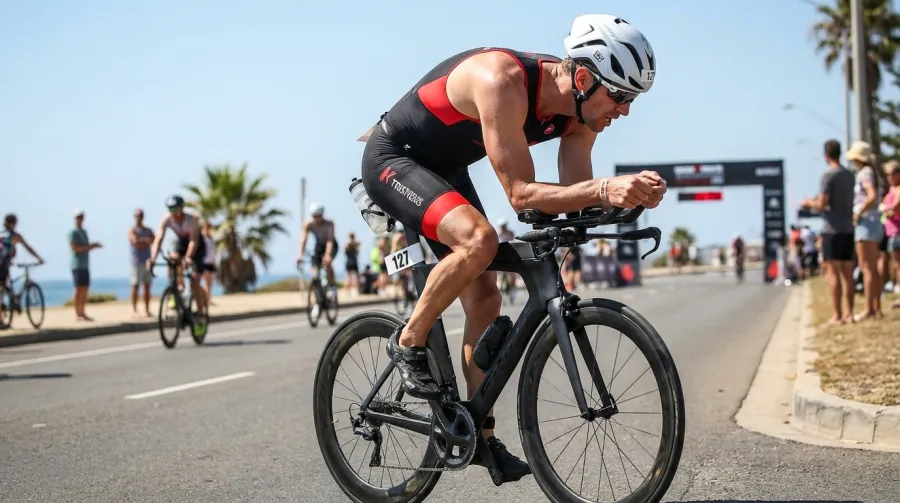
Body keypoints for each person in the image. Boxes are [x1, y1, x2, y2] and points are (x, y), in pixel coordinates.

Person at [358, 14, 665, 481]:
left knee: (486, 297)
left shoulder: (582, 112)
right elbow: (521, 194)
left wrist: (628, 203)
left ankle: (477, 436)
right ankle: (408, 342)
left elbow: (575, 195)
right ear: (583, 78)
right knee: (478, 241)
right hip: (394, 159)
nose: (624, 111)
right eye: (620, 96)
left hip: (446, 169)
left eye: (633, 99)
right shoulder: (502, 80)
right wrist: (605, 190)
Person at [801, 139, 856, 326]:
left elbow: (822, 203)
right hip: (848, 228)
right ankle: (850, 314)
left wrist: (809, 203)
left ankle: (837, 315)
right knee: (848, 273)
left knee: (833, 273)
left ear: (826, 155)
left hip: (831, 230)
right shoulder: (849, 175)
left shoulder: (828, 175)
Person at [147, 195, 208, 336]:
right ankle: (176, 289)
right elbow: (158, 238)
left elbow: (193, 241)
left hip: (197, 246)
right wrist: (153, 258)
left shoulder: (192, 219)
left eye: (176, 209)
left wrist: (188, 258)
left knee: (194, 279)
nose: (174, 213)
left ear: (182, 208)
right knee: (172, 259)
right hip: (181, 243)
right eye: (171, 209)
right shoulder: (166, 219)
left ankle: (200, 315)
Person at [847, 141, 884, 321]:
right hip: (874, 221)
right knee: (873, 267)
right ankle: (876, 306)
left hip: (866, 222)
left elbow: (870, 196)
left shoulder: (865, 173)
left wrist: (859, 212)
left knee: (866, 267)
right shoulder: (872, 172)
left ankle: (869, 308)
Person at [0, 214, 45, 321]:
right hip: (3, 264)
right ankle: (1, 318)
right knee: (1, 291)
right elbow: (28, 248)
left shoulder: (1, 234)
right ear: (13, 223)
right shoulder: (15, 236)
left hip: (3, 263)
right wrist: (39, 259)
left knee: (3, 288)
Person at [69, 209, 102, 321]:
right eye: (78, 217)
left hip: (85, 264)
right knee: (78, 289)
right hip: (77, 264)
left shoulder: (84, 232)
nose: (80, 219)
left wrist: (93, 246)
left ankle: (82, 312)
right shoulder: (73, 233)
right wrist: (89, 247)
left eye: (81, 217)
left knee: (85, 288)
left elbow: (85, 246)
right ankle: (77, 313)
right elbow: (75, 248)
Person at [296, 203, 337, 286]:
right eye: (314, 216)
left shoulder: (329, 224)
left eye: (318, 216)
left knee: (327, 264)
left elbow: (330, 240)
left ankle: (331, 286)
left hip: (331, 245)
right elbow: (303, 239)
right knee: (314, 264)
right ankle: (315, 283)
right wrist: (300, 255)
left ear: (322, 214)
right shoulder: (308, 224)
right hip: (319, 245)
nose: (316, 218)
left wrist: (328, 255)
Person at [128, 208, 155, 317]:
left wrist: (142, 240)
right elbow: (135, 242)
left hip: (147, 261)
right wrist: (146, 240)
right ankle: (134, 309)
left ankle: (147, 310)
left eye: (141, 215)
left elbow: (153, 240)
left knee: (147, 286)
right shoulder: (132, 230)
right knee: (135, 285)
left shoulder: (148, 230)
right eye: (137, 216)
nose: (139, 218)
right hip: (136, 262)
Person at [881, 160, 900, 308]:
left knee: (898, 266)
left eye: (892, 173)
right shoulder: (892, 190)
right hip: (892, 231)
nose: (889, 177)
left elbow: (893, 208)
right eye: (887, 174)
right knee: (895, 265)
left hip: (898, 231)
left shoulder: (898, 189)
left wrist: (886, 210)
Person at [495, 219, 517, 292]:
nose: (503, 227)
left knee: (512, 272)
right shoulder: (498, 233)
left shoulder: (510, 233)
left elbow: (514, 242)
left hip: (509, 253)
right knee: (500, 274)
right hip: (501, 253)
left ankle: (513, 286)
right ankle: (500, 288)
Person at [200, 219, 217, 306]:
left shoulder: (211, 239)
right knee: (206, 283)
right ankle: (205, 300)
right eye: (207, 228)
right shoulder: (202, 239)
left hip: (211, 263)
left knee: (209, 284)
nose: (208, 229)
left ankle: (209, 299)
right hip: (204, 263)